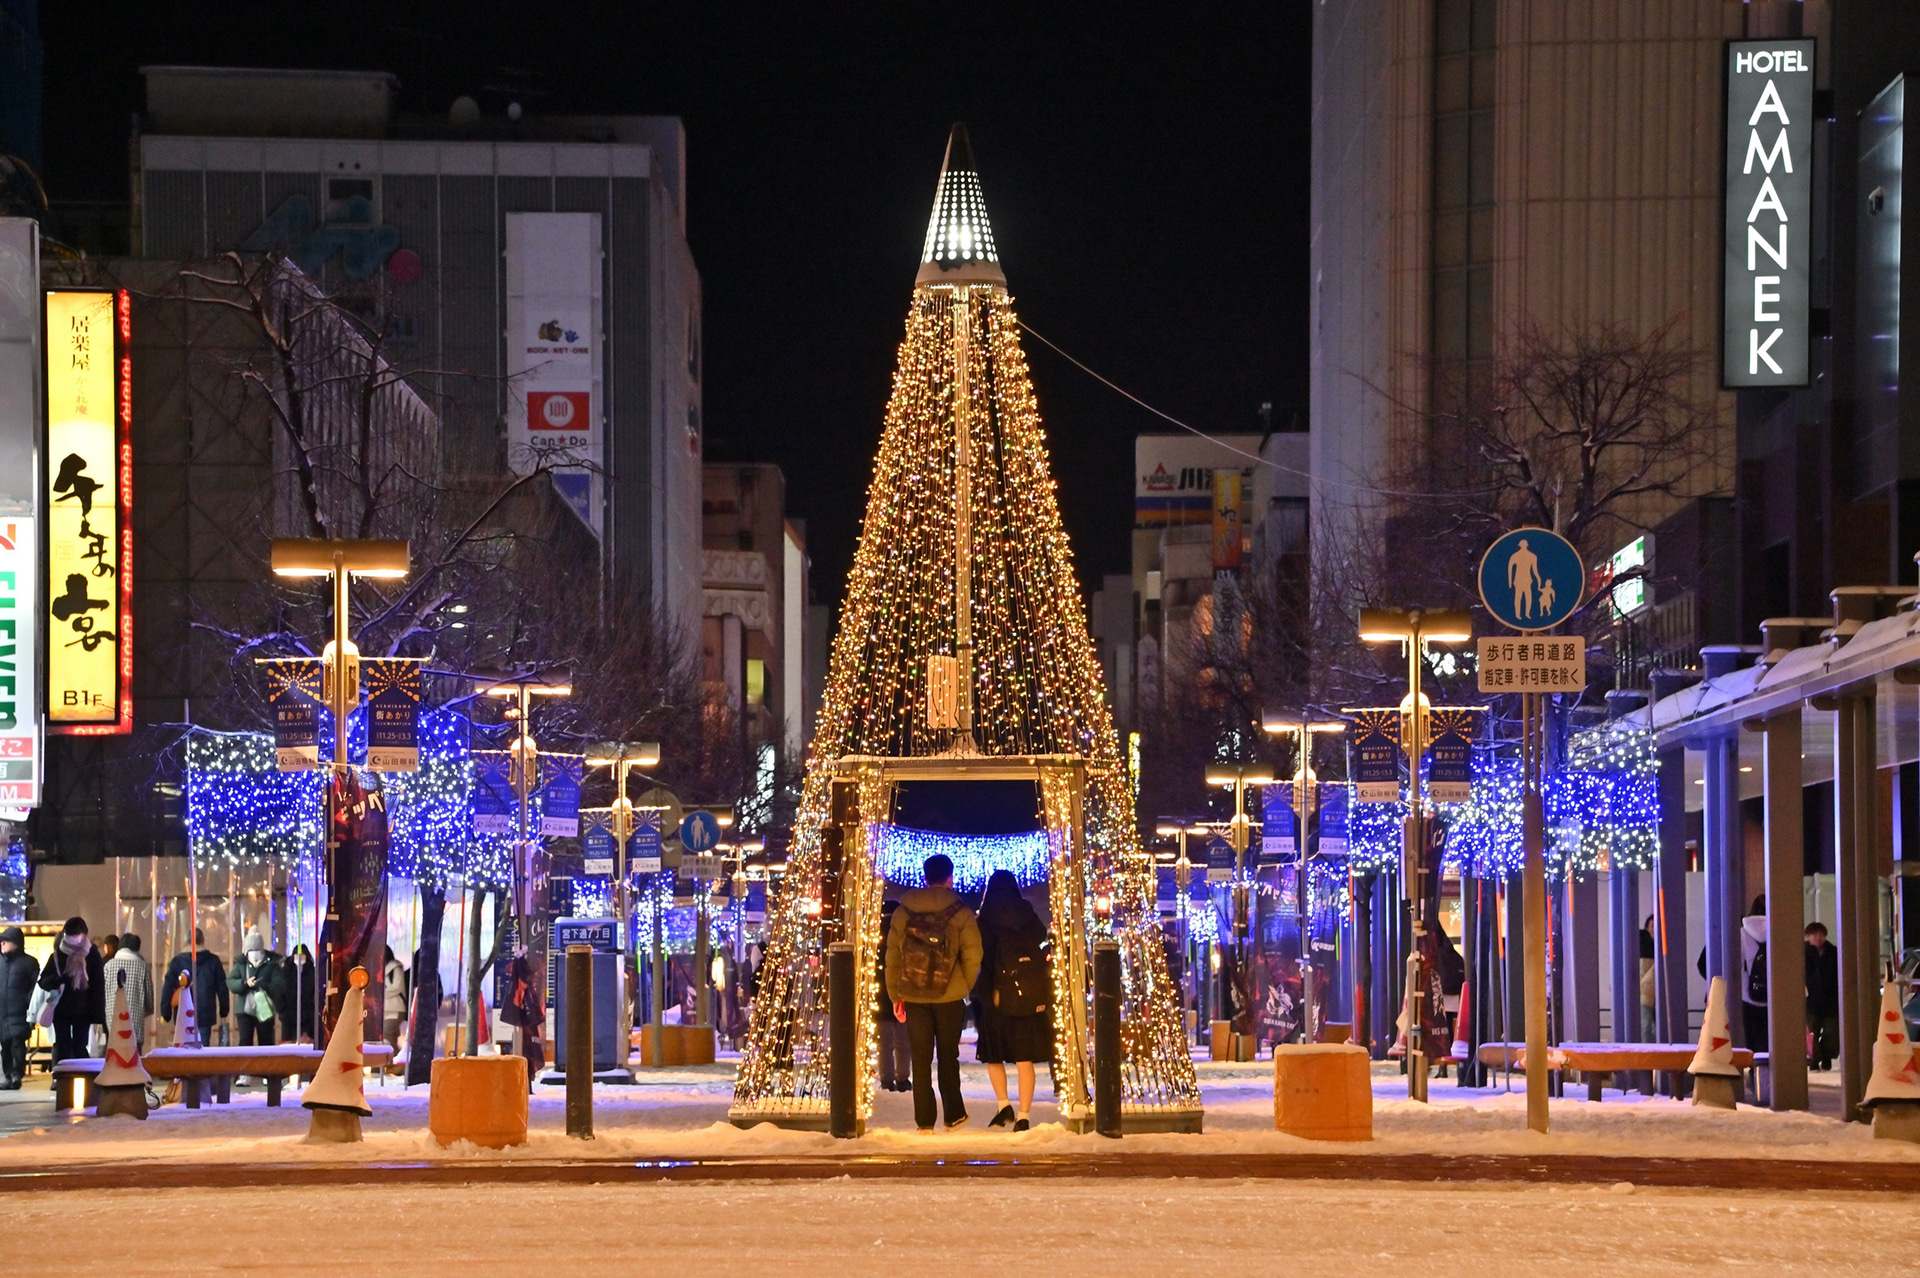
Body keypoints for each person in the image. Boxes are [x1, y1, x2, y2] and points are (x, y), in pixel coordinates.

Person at [886, 853, 982, 1133]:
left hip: (914, 995)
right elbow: (973, 954)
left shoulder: (904, 912)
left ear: (925, 877)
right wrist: (963, 985)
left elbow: (893, 955)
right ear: (950, 877)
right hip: (950, 996)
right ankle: (953, 1115)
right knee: (948, 1056)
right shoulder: (961, 911)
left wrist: (895, 995)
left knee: (920, 1058)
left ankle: (925, 1121)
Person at [972, 870, 1051, 1131]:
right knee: (1023, 1057)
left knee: (994, 1054)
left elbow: (980, 955)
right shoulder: (1029, 915)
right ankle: (1024, 1115)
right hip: (1026, 994)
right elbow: (1043, 946)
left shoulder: (985, 917)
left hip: (995, 994)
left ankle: (1003, 1105)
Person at [37, 917, 104, 1064]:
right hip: (62, 1010)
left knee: (80, 1047)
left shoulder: (92, 954)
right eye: (69, 934)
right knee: (63, 1047)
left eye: (75, 934)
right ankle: (62, 1075)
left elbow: (98, 986)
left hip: (84, 1010)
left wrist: (98, 1014)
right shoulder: (58, 954)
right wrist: (58, 980)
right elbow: (43, 981)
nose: (72, 938)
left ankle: (81, 1075)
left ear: (84, 935)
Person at [162, 930, 228, 1045]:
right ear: (202, 941)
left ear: (186, 942)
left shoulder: (177, 962)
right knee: (202, 1049)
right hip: (205, 1013)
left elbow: (168, 987)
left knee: (184, 1049)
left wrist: (165, 1011)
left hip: (183, 1013)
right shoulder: (213, 961)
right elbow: (222, 988)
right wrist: (224, 1010)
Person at [877, 899, 910, 1092]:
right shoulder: (904, 934)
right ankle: (903, 1078)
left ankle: (886, 1079)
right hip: (903, 993)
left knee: (884, 1044)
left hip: (880, 995)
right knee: (903, 1042)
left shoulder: (874, 938)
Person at [227, 928, 281, 1047]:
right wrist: (245, 983)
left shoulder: (271, 964)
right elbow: (231, 982)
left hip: (265, 1007)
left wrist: (265, 985)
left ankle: (265, 1060)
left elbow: (280, 985)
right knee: (245, 1041)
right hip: (244, 1009)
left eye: (257, 950)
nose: (254, 953)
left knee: (266, 1041)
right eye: (251, 950)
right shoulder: (241, 964)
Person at [103, 930, 155, 1051]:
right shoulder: (143, 966)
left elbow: (103, 994)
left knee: (114, 1056)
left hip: (112, 1022)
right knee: (134, 1056)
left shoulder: (108, 966)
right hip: (135, 1025)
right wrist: (146, 1010)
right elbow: (149, 998)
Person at [0, 926, 36, 1087]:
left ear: (16, 943)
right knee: (5, 1046)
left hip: (20, 1013)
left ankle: (16, 1075)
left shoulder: (29, 963)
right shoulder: (1, 962)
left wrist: (29, 1004)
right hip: (2, 1015)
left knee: (17, 1045)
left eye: (5, 941)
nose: (2, 944)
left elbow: (36, 987)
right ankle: (9, 1076)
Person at [1805, 922, 1839, 1071]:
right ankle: (1814, 1059)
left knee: (1831, 1033)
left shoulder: (1833, 952)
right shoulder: (1803, 953)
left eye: (1821, 934)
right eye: (1814, 934)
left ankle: (1827, 1056)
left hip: (1831, 1000)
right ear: (1808, 936)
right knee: (1812, 1032)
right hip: (1811, 1000)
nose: (1818, 937)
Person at [1739, 894, 1768, 1051]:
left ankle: (1754, 1065)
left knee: (1752, 1038)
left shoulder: (1743, 933)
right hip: (1776, 995)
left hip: (1748, 994)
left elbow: (1737, 964)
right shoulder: (1780, 931)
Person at [280, 944, 321, 1045]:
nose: (299, 958)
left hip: (308, 1018)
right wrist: (282, 1009)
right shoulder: (285, 972)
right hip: (288, 1017)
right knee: (288, 1045)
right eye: (297, 955)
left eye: (302, 955)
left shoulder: (313, 972)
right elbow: (280, 992)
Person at [382, 945, 409, 1050]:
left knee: (387, 1034)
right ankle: (393, 1056)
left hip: (396, 1008)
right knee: (389, 1036)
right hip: (385, 1009)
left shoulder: (395, 968)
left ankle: (391, 1057)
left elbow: (398, 987)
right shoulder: (378, 969)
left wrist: (381, 993)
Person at [1639, 915, 1657, 1041]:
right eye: (1652, 926)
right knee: (1646, 1026)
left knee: (1651, 1026)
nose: (1654, 929)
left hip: (1648, 992)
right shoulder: (1642, 942)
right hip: (1646, 992)